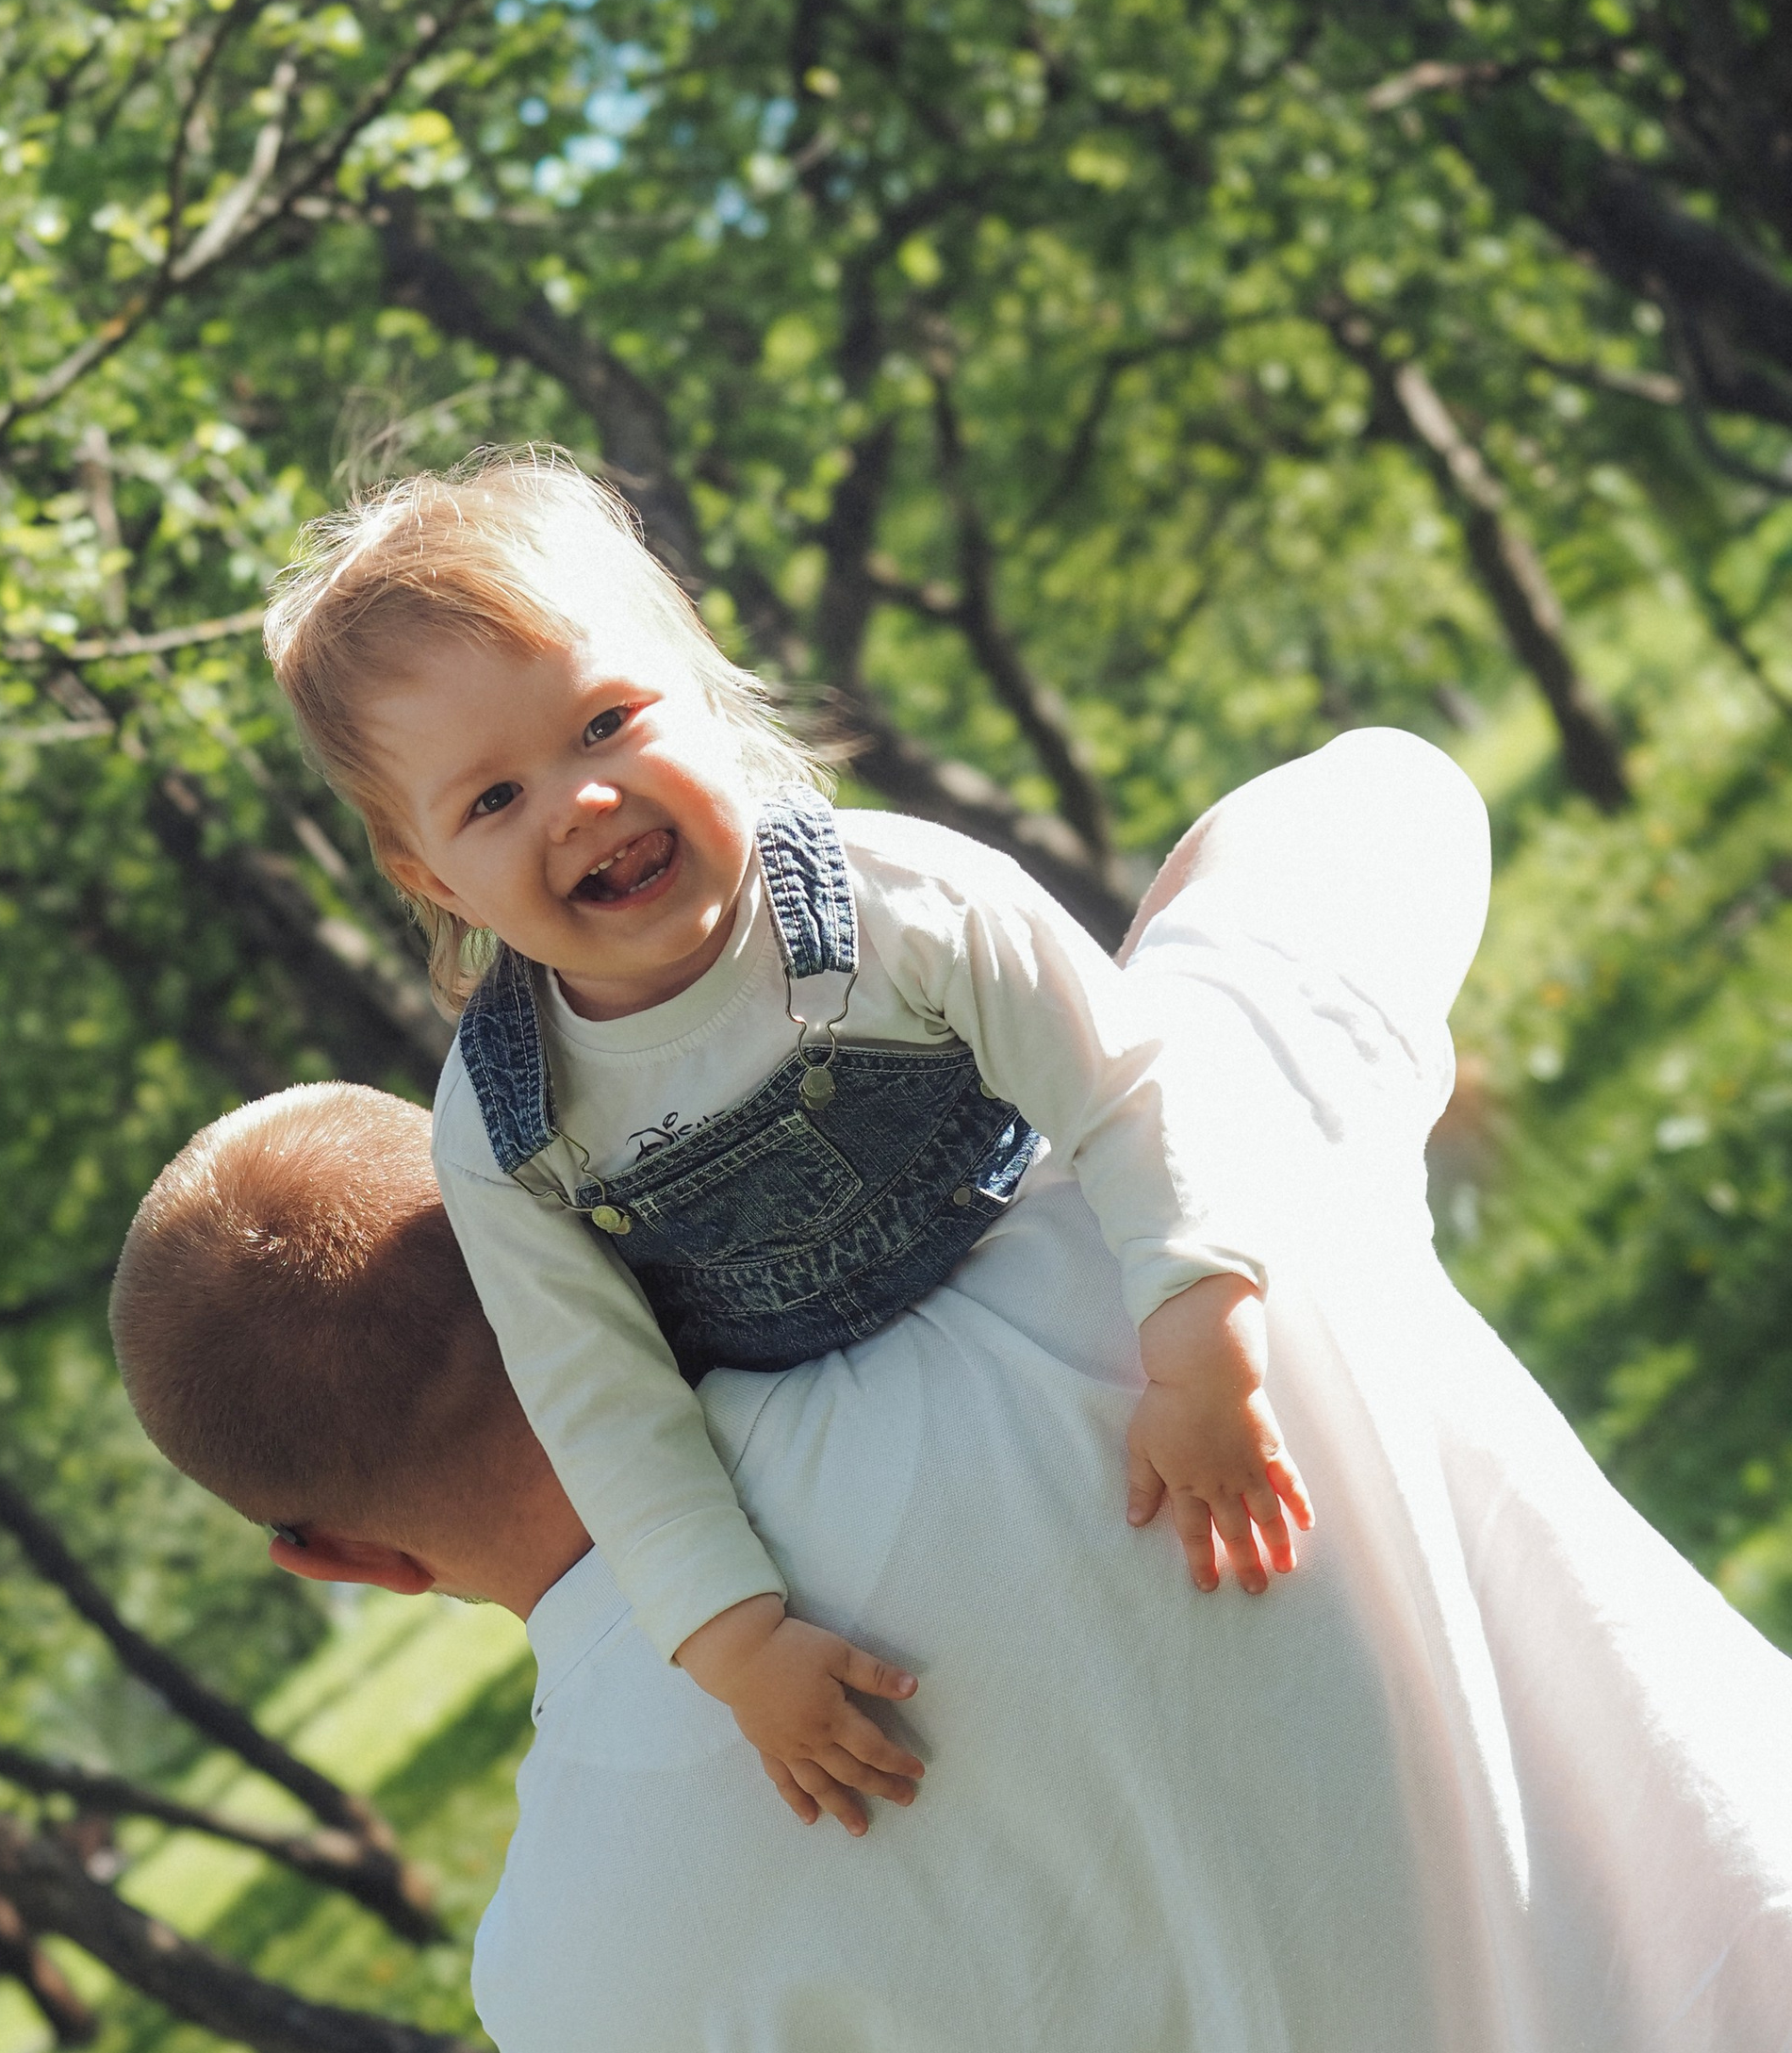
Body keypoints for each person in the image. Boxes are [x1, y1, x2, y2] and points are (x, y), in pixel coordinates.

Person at [110, 735, 1792, 2053]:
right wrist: (1029, 976)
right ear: (585, 1228)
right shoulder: (1167, 1222)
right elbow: (1382, 794)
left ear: (334, 1561)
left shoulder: (574, 1980)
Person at [258, 449, 1312, 1833]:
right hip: (819, 1430)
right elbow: (606, 1408)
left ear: (697, 674)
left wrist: (1194, 1332)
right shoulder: (507, 1129)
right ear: (424, 872)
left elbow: (1119, 1086)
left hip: (1018, 1244)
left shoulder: (898, 903)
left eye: (604, 721)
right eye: (491, 800)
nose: (580, 801)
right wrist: (736, 1640)